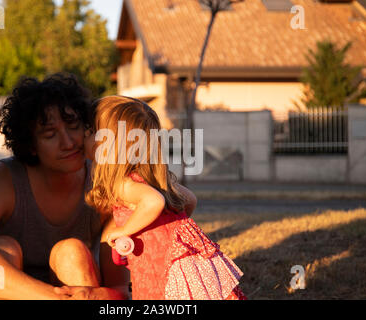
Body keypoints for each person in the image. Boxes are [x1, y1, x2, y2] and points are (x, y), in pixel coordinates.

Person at [0, 73, 129, 300]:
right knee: (4, 248)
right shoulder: (3, 180)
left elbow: (120, 292)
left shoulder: (103, 182)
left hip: (74, 288)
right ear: (31, 145)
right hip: (12, 293)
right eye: (50, 134)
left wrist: (97, 295)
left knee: (71, 251)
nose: (69, 142)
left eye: (73, 126)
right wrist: (50, 296)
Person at [84, 95, 247, 300]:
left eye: (90, 132)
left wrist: (124, 230)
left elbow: (153, 202)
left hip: (164, 269)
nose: (82, 137)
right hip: (187, 265)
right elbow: (189, 199)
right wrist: (170, 227)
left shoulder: (123, 184)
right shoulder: (153, 181)